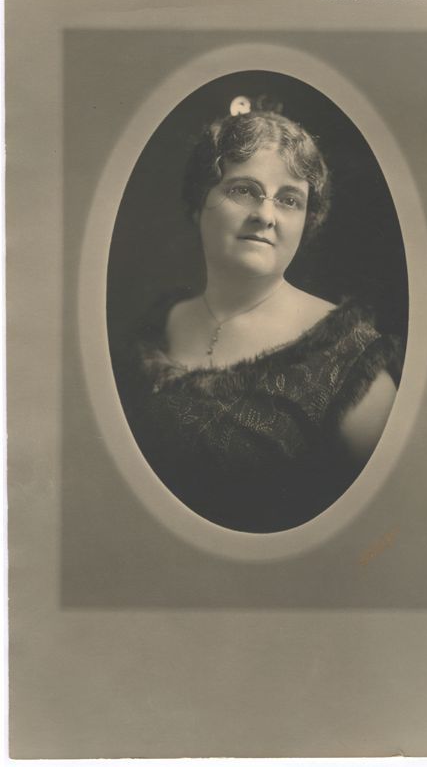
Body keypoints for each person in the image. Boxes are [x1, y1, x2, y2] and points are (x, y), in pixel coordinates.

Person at [115, 100, 404, 533]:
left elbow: (389, 519)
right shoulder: (157, 327)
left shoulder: (346, 354)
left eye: (289, 200)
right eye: (243, 190)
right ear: (198, 203)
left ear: (307, 221)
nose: (265, 215)